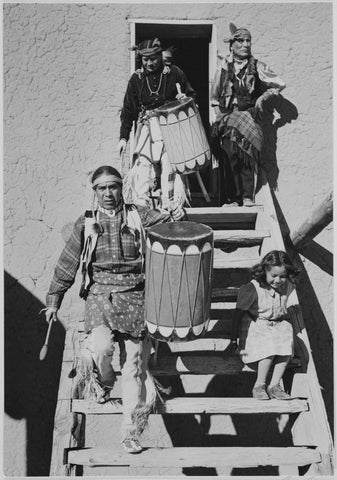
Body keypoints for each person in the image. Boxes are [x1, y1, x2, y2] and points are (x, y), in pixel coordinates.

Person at [44, 165, 185, 454]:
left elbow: (170, 224)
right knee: (99, 347)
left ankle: (130, 433)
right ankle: (104, 382)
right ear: (94, 192)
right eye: (101, 188)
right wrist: (54, 300)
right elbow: (68, 262)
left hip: (135, 294)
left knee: (133, 367)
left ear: (122, 188)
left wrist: (177, 216)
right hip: (99, 294)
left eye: (113, 186)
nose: (108, 193)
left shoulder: (139, 215)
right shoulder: (85, 223)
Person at [211, 23, 286, 207]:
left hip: (249, 118)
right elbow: (214, 97)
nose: (245, 45)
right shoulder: (223, 67)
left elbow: (279, 84)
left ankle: (247, 197)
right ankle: (232, 199)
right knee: (230, 157)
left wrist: (263, 97)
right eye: (241, 41)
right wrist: (220, 118)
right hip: (229, 119)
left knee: (248, 157)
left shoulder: (257, 66)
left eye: (248, 41)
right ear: (232, 45)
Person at [118, 38, 196, 210]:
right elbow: (128, 110)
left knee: (170, 163)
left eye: (153, 59)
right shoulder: (136, 79)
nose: (149, 63)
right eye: (145, 60)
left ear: (160, 56)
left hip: (171, 125)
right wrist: (123, 137)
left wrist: (185, 99)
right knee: (143, 163)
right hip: (147, 126)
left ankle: (171, 205)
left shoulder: (174, 73)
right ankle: (141, 205)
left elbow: (191, 96)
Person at [230, 250, 300, 400]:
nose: (278, 280)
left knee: (287, 334)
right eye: (274, 276)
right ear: (264, 271)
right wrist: (232, 339)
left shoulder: (287, 285)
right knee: (270, 343)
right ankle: (259, 385)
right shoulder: (252, 289)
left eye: (282, 276)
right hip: (255, 326)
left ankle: (274, 385)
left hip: (275, 325)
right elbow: (238, 315)